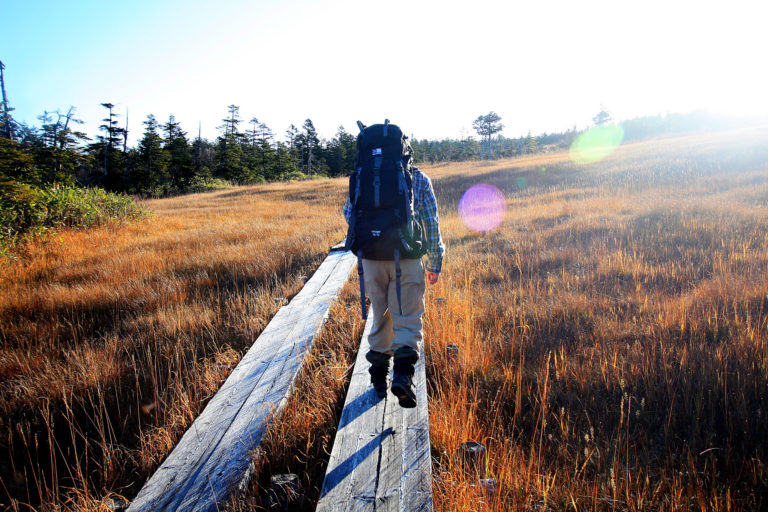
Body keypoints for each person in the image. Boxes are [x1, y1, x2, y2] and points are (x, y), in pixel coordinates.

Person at [343, 159, 445, 408]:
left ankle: (378, 380)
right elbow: (431, 222)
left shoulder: (362, 174)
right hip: (407, 258)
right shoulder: (418, 178)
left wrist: (373, 239)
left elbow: (349, 213)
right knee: (407, 318)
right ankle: (402, 377)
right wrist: (435, 262)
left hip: (372, 260)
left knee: (381, 316)